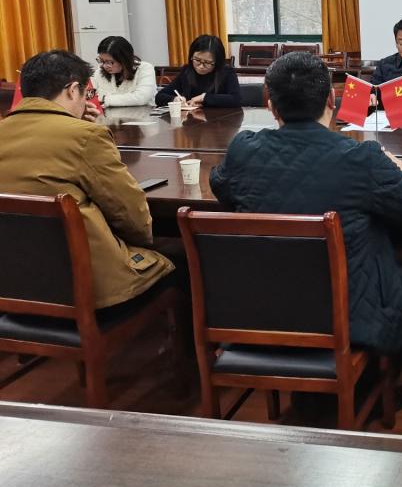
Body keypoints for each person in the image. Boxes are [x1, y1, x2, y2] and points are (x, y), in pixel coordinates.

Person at [210, 52, 402, 356]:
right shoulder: (360, 158)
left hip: (257, 313)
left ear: (270, 104)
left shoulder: (243, 150)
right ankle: (373, 379)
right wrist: (397, 171)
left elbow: (220, 184)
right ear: (332, 99)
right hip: (347, 320)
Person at [0, 50, 174, 307]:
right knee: (181, 257)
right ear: (73, 90)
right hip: (86, 290)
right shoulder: (86, 137)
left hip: (14, 284)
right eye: (86, 93)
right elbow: (132, 216)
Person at [155, 35, 241, 108]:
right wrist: (174, 100)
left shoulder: (227, 73)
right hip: (191, 120)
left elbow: (236, 99)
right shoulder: (187, 71)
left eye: (207, 62)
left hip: (220, 121)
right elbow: (159, 96)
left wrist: (205, 98)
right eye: (197, 60)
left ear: (217, 62)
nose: (201, 66)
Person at [94, 36, 157, 107]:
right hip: (108, 114)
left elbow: (141, 98)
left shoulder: (144, 68)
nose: (104, 66)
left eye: (109, 62)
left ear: (124, 59)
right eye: (101, 60)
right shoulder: (99, 72)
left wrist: (104, 99)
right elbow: (90, 95)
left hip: (141, 113)